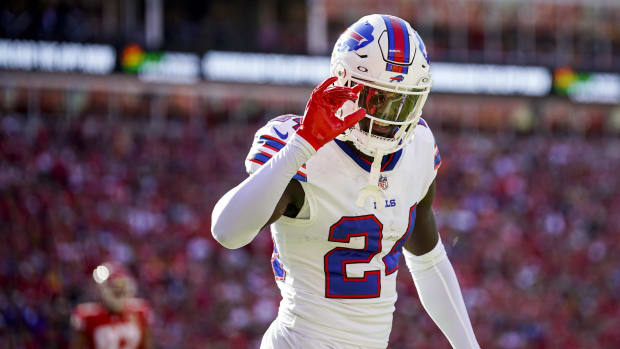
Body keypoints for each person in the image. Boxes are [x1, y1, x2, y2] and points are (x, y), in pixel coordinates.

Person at [212, 14, 480, 349]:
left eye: (404, 102)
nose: (390, 117)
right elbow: (227, 231)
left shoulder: (418, 148)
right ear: (345, 85)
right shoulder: (301, 148)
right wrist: (302, 146)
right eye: (378, 98)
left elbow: (429, 261)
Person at [70, 262, 152, 349]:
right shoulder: (88, 315)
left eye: (120, 288)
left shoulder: (139, 311)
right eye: (114, 288)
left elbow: (146, 345)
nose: (117, 291)